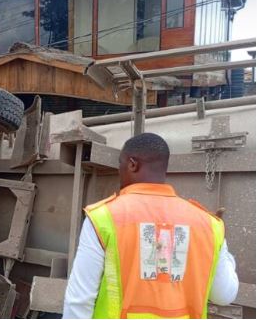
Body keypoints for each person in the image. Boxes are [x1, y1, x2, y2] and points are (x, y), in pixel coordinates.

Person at [63, 133, 239, 319]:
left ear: (132, 164)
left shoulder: (104, 217)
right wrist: (222, 248)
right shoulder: (209, 224)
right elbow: (224, 296)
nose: (119, 172)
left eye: (120, 165)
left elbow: (79, 302)